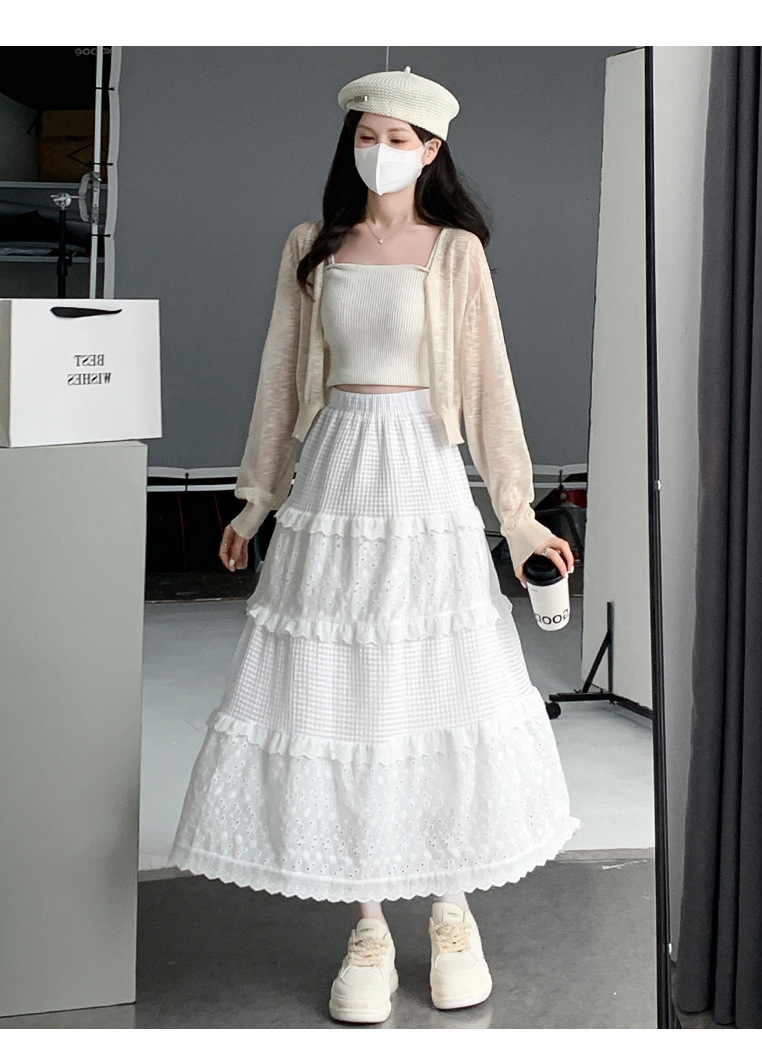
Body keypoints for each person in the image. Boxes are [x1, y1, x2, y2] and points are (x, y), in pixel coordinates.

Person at [168, 65, 581, 1024]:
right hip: (335, 481)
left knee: (438, 691)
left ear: (432, 150)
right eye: (368, 135)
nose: (380, 151)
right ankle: (367, 923)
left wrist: (518, 515)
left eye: (399, 139)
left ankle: (451, 909)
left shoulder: (457, 253)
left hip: (425, 484)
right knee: (342, 699)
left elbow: (490, 391)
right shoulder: (312, 246)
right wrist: (254, 501)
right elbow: (281, 377)